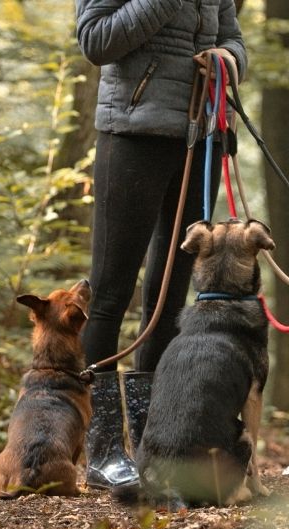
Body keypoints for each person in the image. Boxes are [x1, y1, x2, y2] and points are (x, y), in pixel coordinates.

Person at [74, 0, 248, 488]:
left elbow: (235, 40)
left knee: (169, 297)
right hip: (131, 135)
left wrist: (228, 60)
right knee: (109, 296)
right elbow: (96, 41)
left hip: (201, 139)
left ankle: (153, 448)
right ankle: (104, 450)